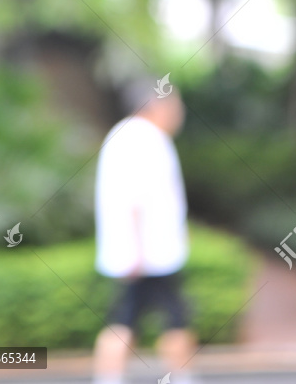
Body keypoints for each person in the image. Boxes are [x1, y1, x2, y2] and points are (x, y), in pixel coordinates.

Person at [93, 81, 196, 384]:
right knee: (166, 319)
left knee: (129, 320)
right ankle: (182, 378)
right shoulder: (144, 138)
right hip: (150, 255)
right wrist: (135, 252)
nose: (179, 112)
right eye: (175, 105)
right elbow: (133, 200)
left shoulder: (126, 134)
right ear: (156, 105)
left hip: (143, 254)